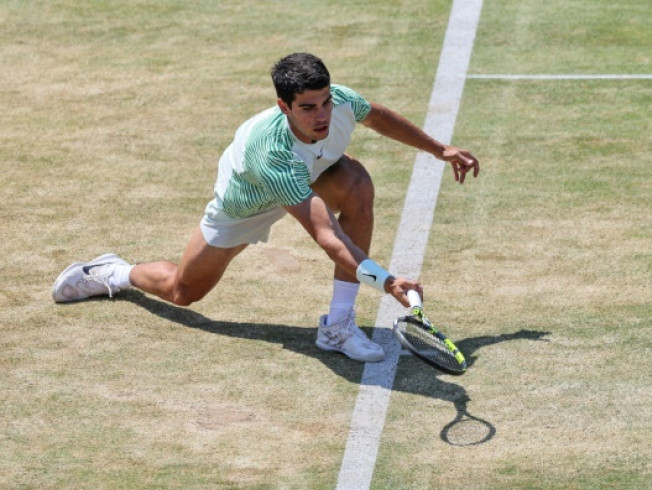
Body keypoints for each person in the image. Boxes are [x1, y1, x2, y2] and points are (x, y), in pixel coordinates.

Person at [51, 52, 479, 363]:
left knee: (356, 185)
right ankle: (113, 272)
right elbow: (328, 236)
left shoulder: (341, 102)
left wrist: (440, 149)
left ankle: (337, 326)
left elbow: (376, 116)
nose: (322, 115)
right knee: (184, 292)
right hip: (248, 203)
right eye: (308, 108)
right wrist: (386, 282)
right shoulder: (271, 154)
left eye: (326, 102)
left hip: (312, 173)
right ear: (284, 107)